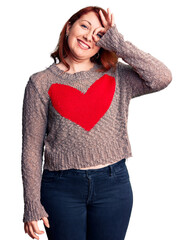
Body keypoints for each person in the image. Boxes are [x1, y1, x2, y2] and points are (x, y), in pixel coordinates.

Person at [21, 6, 172, 240]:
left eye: (100, 34)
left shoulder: (117, 76)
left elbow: (161, 77)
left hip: (113, 185)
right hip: (61, 189)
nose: (89, 36)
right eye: (84, 26)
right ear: (69, 27)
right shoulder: (40, 82)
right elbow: (31, 149)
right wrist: (31, 203)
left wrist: (119, 44)